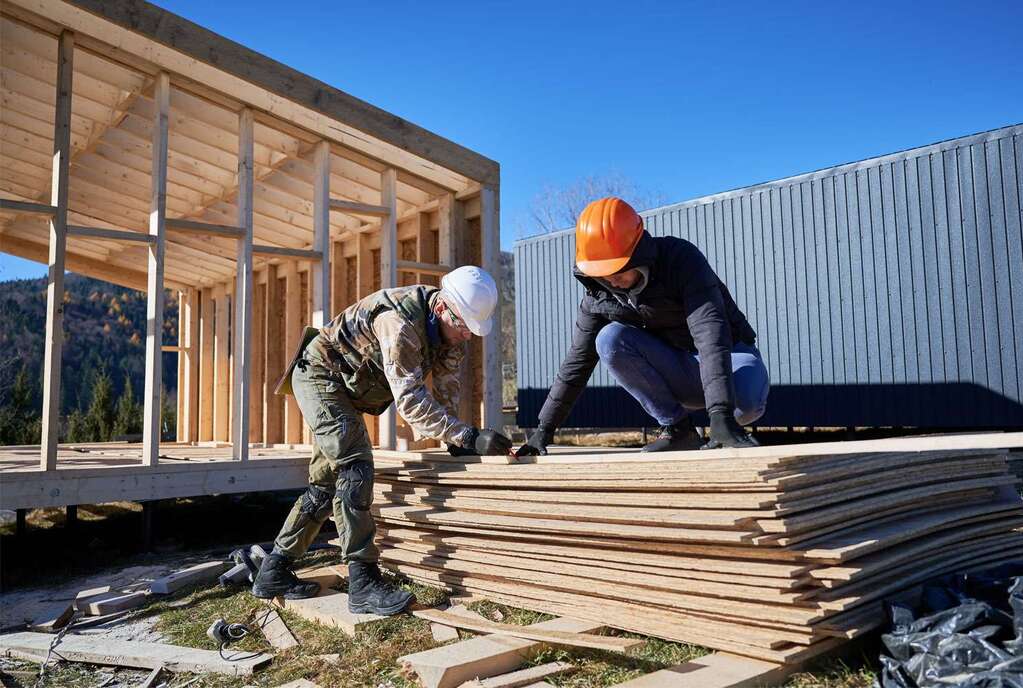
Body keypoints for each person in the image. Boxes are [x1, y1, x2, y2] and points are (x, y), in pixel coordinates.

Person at [251, 266, 513, 613]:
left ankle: (275, 570)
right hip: (320, 374)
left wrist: (459, 438)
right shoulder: (399, 323)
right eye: (463, 326)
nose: (466, 335)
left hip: (346, 388)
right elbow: (410, 401)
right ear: (441, 310)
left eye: (471, 330)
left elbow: (448, 384)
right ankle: (363, 582)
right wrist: (468, 435)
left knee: (326, 484)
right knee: (355, 467)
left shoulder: (452, 330)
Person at [517, 197, 768, 456]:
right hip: (678, 369)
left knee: (744, 406)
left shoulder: (680, 260)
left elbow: (710, 332)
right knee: (609, 339)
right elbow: (576, 363)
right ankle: (678, 429)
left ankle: (725, 418)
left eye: (618, 270)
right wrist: (543, 430)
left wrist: (720, 413)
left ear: (638, 251)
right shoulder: (598, 296)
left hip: (730, 355)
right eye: (603, 274)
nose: (612, 281)